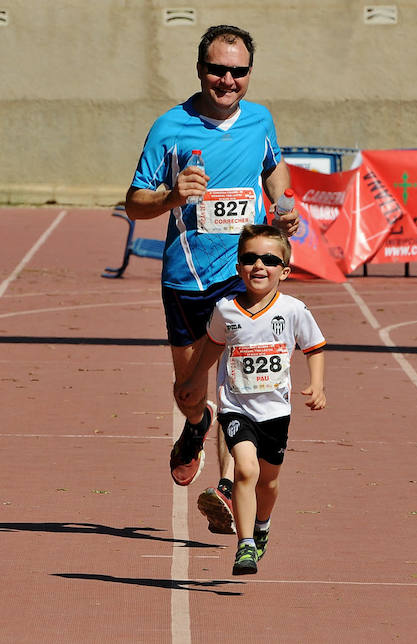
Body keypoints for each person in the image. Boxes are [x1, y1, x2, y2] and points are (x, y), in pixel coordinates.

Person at [124, 25, 300, 535]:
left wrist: (283, 207)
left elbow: (274, 169)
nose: (227, 80)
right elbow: (134, 204)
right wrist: (172, 197)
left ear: (249, 73)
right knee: (189, 389)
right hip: (186, 278)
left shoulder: (260, 119)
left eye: (238, 71)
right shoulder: (169, 128)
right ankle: (195, 425)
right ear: (200, 69)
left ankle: (227, 489)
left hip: (243, 278)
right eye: (217, 69)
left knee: (238, 388)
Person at [177, 224, 326, 575]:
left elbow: (314, 347)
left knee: (268, 482)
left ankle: (262, 526)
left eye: (270, 259)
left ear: (285, 271)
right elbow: (212, 347)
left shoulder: (293, 310)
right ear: (238, 266)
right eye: (250, 258)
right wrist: (194, 377)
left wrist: (317, 385)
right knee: (245, 469)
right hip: (236, 406)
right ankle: (244, 545)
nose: (259, 265)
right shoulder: (225, 310)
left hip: (275, 411)